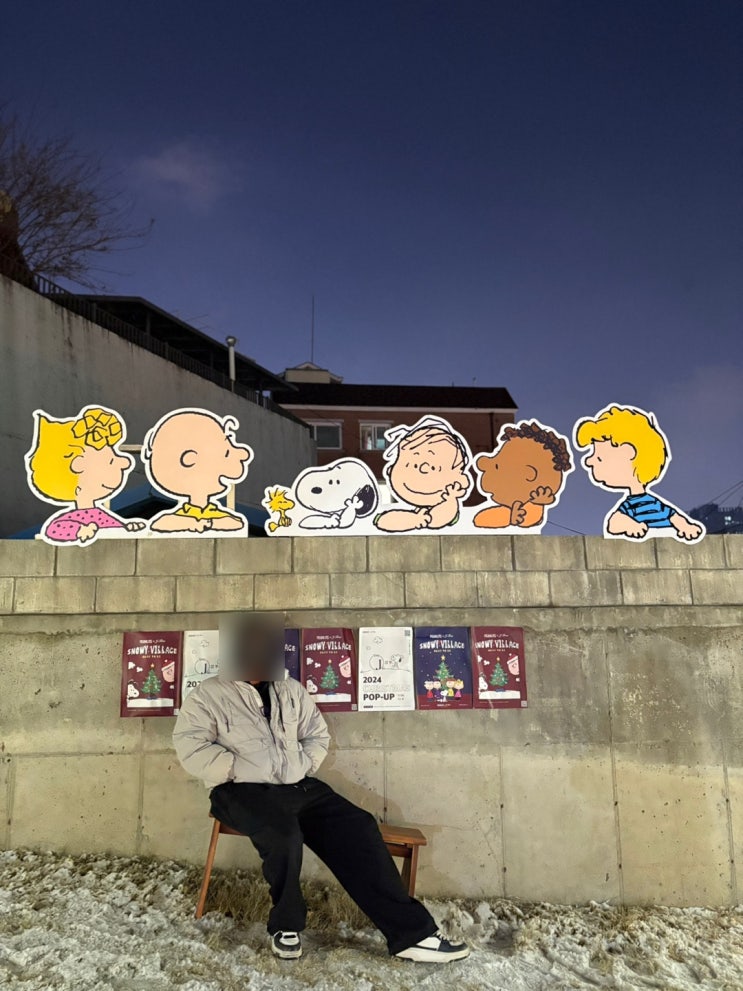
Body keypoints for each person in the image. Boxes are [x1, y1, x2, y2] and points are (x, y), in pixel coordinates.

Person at [173, 615, 470, 964]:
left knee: (359, 826)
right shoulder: (208, 694)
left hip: (297, 784)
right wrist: (236, 769)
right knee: (283, 835)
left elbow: (317, 734)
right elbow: (190, 746)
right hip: (238, 790)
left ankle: (411, 935)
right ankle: (286, 926)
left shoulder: (290, 689)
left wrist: (302, 765)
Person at [573, 405, 704, 541]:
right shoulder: (629, 506)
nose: (588, 461)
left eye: (599, 457)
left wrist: (686, 527)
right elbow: (614, 523)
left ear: (628, 452)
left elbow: (675, 518)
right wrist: (630, 526)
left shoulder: (654, 504)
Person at [25, 405, 146, 544]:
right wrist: (80, 531)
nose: (125, 463)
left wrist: (127, 527)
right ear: (79, 464)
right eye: (110, 461)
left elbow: (113, 528)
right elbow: (54, 529)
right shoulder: (75, 518)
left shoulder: (100, 514)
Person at [142, 408, 252, 533]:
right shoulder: (174, 517)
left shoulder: (222, 517)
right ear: (190, 459)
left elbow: (235, 524)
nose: (244, 454)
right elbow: (160, 524)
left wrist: (207, 523)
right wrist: (193, 524)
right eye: (226, 452)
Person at [373, 416, 472, 532]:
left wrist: (450, 499)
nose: (423, 469)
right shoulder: (407, 511)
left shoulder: (447, 507)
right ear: (391, 470)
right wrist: (414, 520)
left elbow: (439, 519)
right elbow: (381, 521)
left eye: (435, 467)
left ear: (459, 480)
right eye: (412, 464)